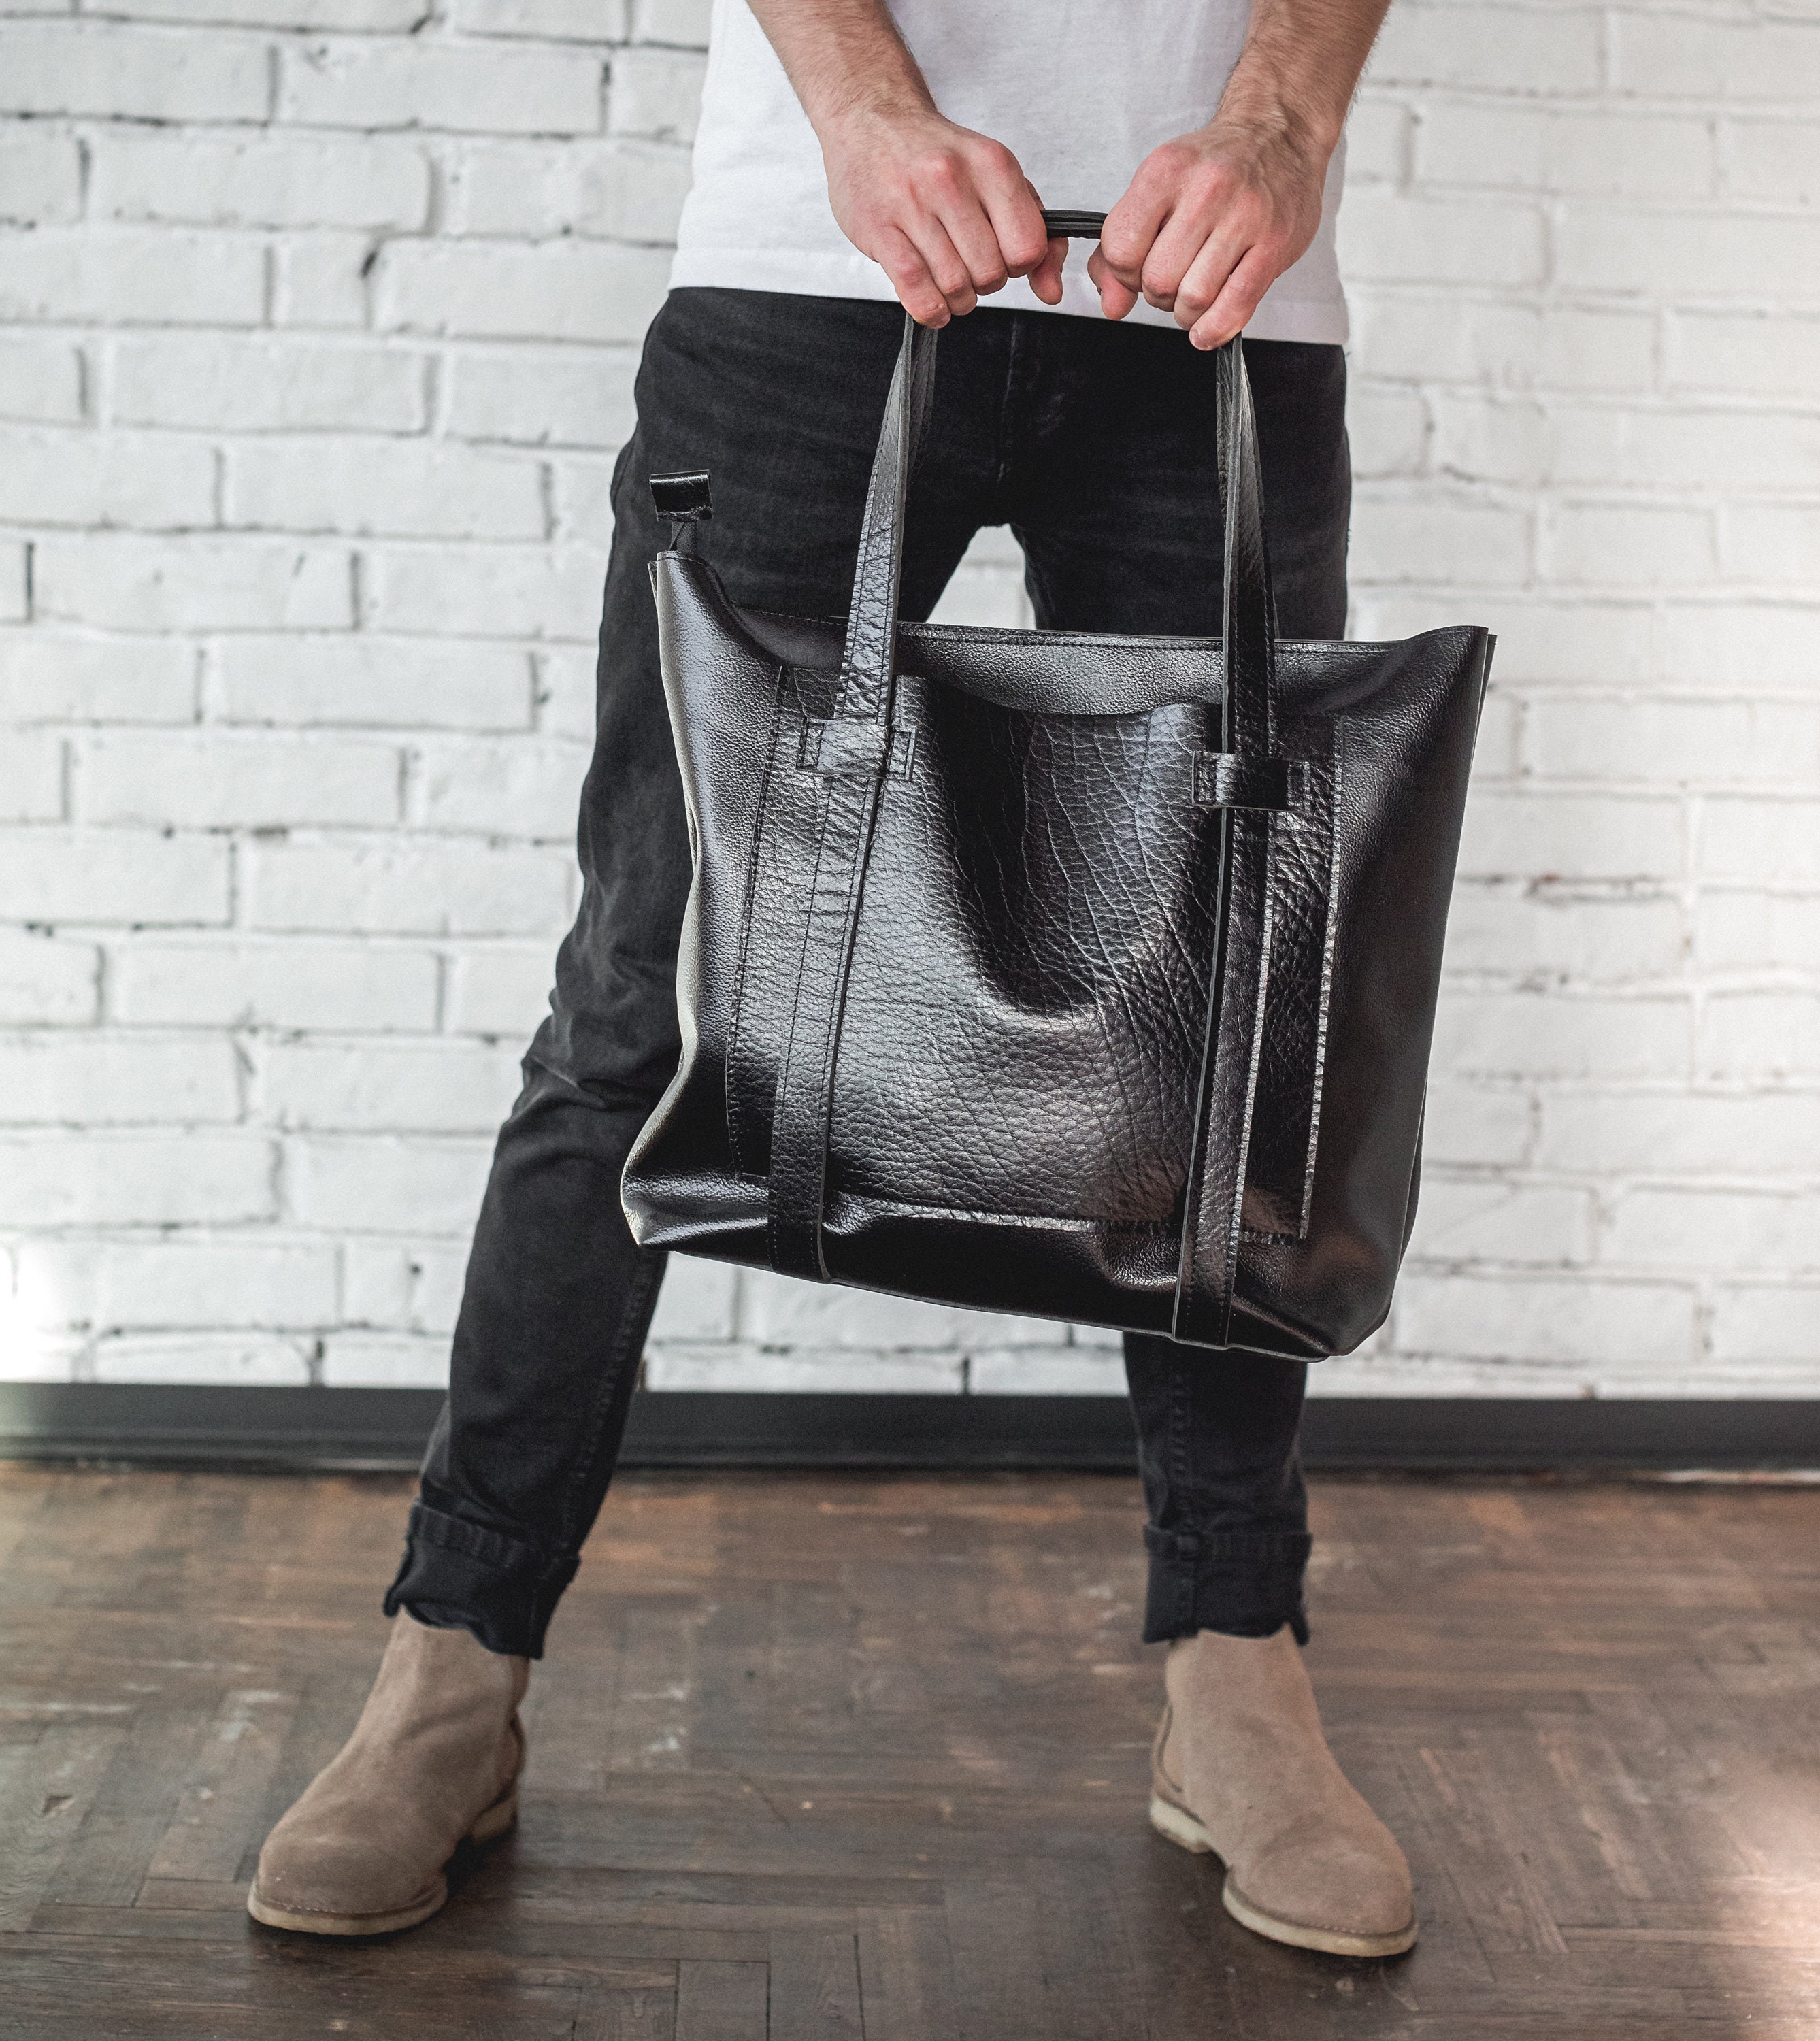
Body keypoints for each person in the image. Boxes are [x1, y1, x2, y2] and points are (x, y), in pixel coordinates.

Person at [248, 0, 1412, 1961]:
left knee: (1226, 1026)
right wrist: (866, 109)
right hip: (813, 268)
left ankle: (1239, 1671)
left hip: (1220, 275)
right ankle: (453, 1665)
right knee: (643, 999)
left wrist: (1283, 123)